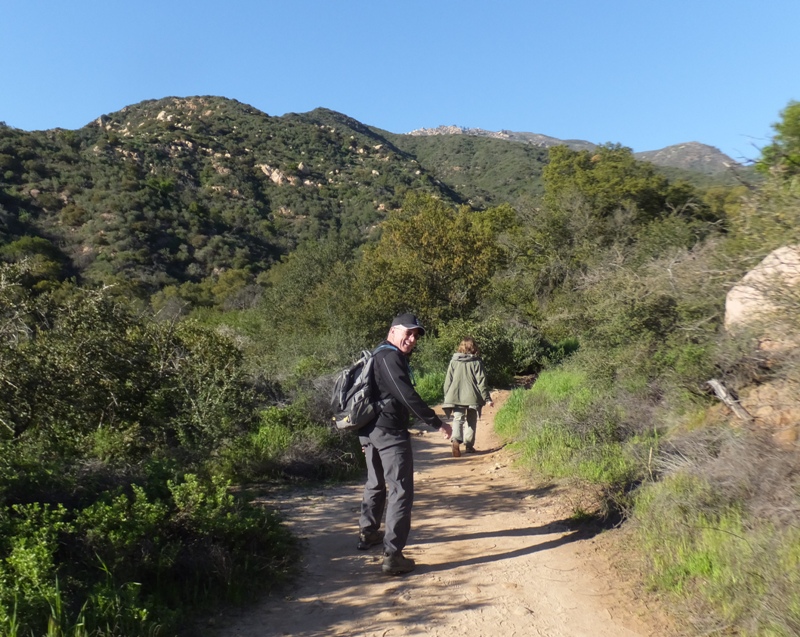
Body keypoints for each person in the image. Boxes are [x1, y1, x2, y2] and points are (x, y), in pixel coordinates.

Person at [356, 313, 452, 575]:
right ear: (392, 331)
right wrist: (437, 422)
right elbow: (406, 394)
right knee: (400, 490)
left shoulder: (377, 355)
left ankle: (368, 533)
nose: (411, 339)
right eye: (407, 333)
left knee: (375, 483)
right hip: (389, 432)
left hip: (370, 431)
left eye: (415, 335)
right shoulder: (390, 357)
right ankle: (393, 555)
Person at [442, 337, 493, 457]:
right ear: (474, 347)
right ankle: (469, 446)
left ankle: (455, 440)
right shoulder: (476, 362)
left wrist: (447, 396)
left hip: (456, 395)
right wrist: (487, 398)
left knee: (458, 419)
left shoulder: (454, 361)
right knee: (471, 420)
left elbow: (447, 381)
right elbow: (481, 381)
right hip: (473, 397)